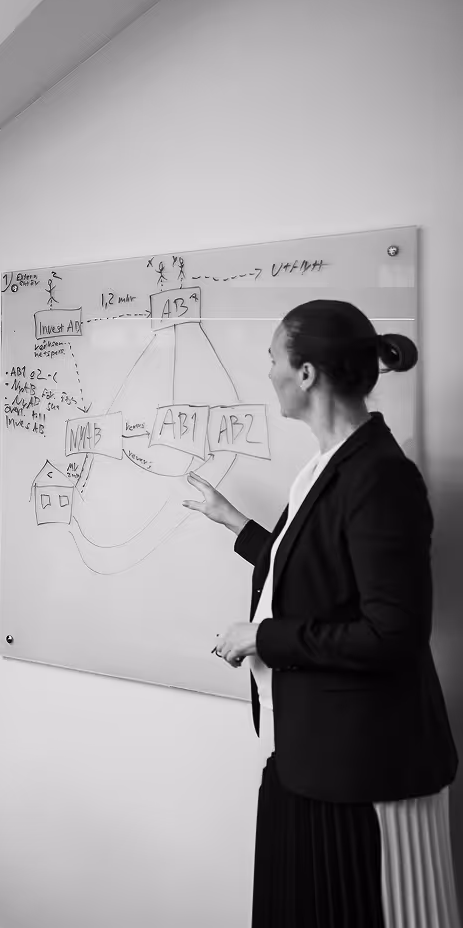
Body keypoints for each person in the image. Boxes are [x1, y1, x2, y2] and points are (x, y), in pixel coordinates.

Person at [186, 300, 458, 927]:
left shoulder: (380, 475)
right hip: (306, 756)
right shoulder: (322, 468)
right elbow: (308, 571)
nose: (270, 375)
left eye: (273, 361)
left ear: (306, 374)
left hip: (363, 772)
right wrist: (230, 519)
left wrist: (263, 637)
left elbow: (393, 634)